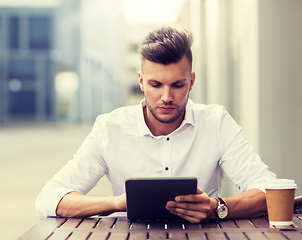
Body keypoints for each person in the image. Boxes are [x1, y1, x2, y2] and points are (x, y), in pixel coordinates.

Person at [36, 26, 276, 223]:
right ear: (141, 82)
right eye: (156, 85)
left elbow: (272, 192)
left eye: (177, 85)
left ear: (191, 82)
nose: (167, 97)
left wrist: (218, 207)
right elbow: (49, 199)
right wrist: (118, 203)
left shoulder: (216, 123)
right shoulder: (110, 128)